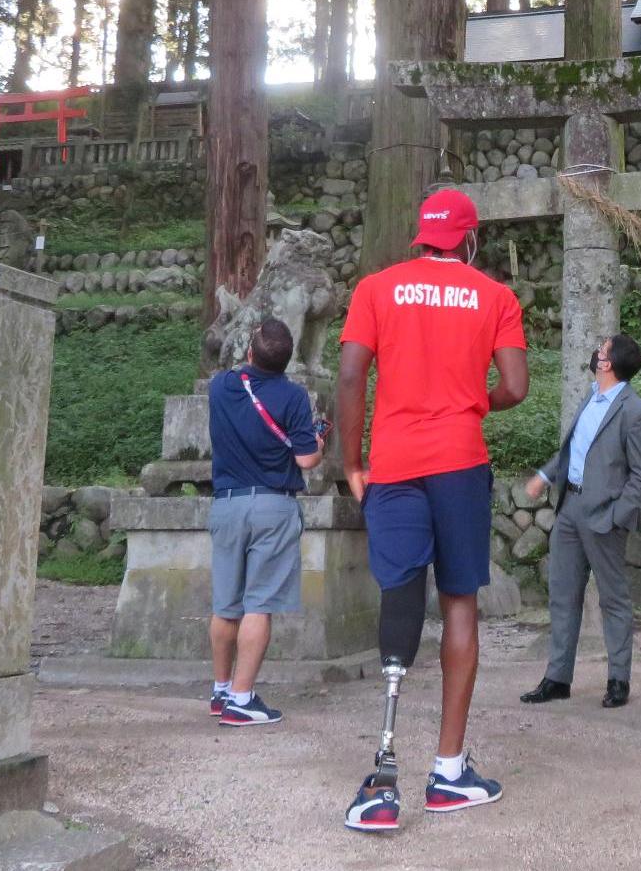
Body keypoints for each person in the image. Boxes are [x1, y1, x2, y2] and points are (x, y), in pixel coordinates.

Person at [335, 187, 529, 833]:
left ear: (420, 235)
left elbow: (350, 375)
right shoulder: (495, 296)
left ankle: (384, 764)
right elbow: (517, 385)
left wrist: (352, 462)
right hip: (460, 462)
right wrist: (480, 401)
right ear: (469, 238)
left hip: (392, 464)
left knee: (399, 592)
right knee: (459, 604)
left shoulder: (377, 287)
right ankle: (448, 769)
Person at [520, 334, 641, 710]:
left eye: (603, 347)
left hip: (604, 518)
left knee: (613, 600)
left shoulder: (635, 410)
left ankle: (618, 680)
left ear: (608, 363)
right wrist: (544, 477)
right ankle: (557, 678)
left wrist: (616, 514)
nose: (596, 349)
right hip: (570, 510)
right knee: (562, 597)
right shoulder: (589, 398)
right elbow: (570, 451)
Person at [206, 317, 322, 727]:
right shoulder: (293, 397)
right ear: (288, 362)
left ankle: (221, 690)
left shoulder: (220, 387)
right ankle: (242, 697)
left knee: (226, 605)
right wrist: (318, 440)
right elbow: (306, 459)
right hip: (273, 505)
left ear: (250, 352)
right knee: (258, 604)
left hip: (226, 504)